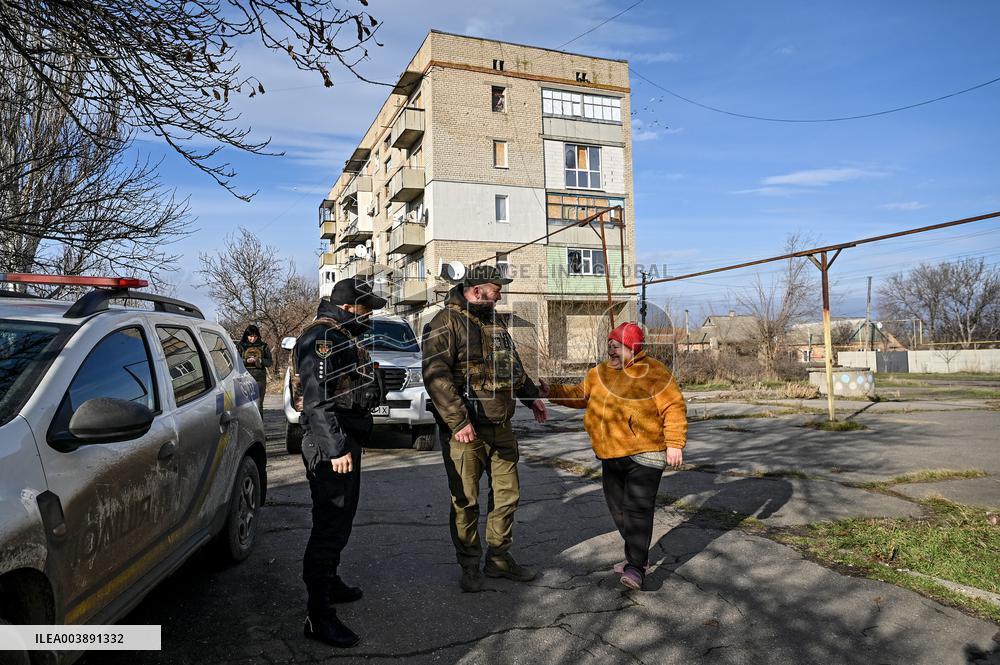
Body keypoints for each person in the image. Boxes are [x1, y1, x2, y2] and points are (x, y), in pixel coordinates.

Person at [422, 265, 548, 593]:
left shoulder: (495, 323)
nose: (500, 295)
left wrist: (531, 397)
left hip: (500, 426)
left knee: (507, 496)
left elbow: (512, 366)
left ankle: (499, 559)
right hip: (466, 431)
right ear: (477, 290)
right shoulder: (443, 323)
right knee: (466, 501)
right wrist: (458, 421)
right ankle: (469, 564)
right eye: (496, 289)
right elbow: (435, 375)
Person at [541, 322, 687, 591]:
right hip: (610, 453)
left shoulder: (654, 372)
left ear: (633, 347)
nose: (611, 351)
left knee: (637, 510)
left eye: (617, 346)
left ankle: (635, 567)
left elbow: (674, 407)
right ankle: (635, 554)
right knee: (618, 509)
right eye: (609, 346)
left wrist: (675, 444)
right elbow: (579, 395)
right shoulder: (598, 373)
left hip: (647, 453)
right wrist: (552, 391)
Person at [295, 278, 386, 648]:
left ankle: (329, 584)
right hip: (330, 444)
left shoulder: (341, 335)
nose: (371, 317)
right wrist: (336, 450)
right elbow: (317, 401)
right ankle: (318, 616)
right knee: (328, 528)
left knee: (341, 520)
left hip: (345, 439)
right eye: (368, 310)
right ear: (350, 308)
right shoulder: (322, 338)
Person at [237, 324, 272, 413]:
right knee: (245, 405)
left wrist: (259, 360)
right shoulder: (240, 346)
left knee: (259, 404)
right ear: (246, 336)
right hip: (244, 379)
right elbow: (236, 361)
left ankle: (259, 426)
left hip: (259, 379)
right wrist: (246, 361)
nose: (253, 339)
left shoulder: (264, 346)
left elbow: (269, 362)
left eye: (255, 336)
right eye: (250, 336)